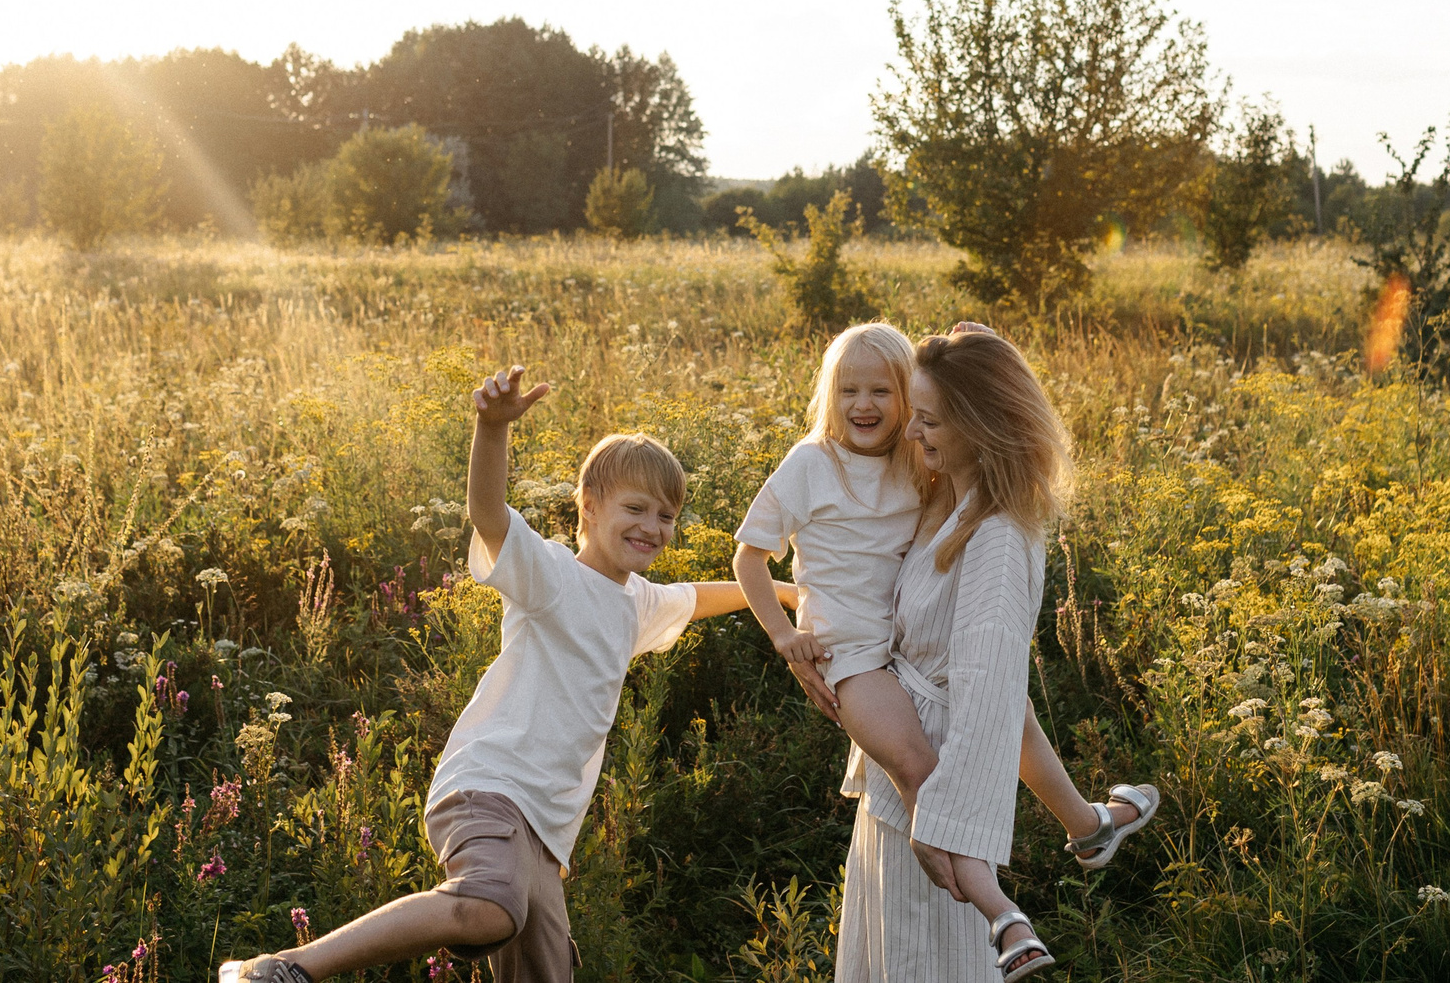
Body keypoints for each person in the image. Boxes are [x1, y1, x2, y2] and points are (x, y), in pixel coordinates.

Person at [221, 365, 789, 983]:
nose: (651, 527)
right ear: (589, 508)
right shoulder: (549, 575)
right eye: (635, 508)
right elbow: (488, 511)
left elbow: (696, 596)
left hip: (545, 831)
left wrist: (780, 591)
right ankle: (283, 970)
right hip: (492, 787)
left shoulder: (637, 604)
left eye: (665, 515)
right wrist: (491, 428)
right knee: (488, 908)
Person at [731, 324, 1158, 889]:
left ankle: (1063, 849)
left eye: (887, 395)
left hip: (923, 696)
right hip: (868, 671)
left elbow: (970, 424)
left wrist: (978, 350)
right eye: (848, 391)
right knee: (940, 761)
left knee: (1011, 710)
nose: (869, 407)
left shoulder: (935, 479)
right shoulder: (831, 462)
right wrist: (788, 634)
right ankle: (1046, 858)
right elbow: (753, 557)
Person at [827, 327, 1106, 981]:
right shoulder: (945, 503)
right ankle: (1094, 824)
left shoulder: (999, 539)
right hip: (892, 796)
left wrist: (942, 817)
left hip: (934, 812)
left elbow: (988, 695)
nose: (911, 430)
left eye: (928, 419)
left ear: (978, 428)